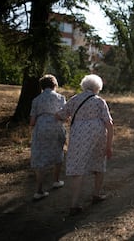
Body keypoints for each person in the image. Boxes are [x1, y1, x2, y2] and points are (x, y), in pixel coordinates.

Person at [56, 74, 114, 215]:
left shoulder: (75, 99)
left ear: (84, 85)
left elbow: (60, 115)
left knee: (78, 167)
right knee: (99, 163)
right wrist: (109, 145)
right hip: (98, 135)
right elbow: (109, 124)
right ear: (97, 87)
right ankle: (96, 194)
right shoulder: (100, 101)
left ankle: (74, 204)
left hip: (77, 135)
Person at [29, 74, 66, 201]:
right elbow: (64, 116)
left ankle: (39, 190)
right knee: (58, 152)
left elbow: (32, 121)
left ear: (42, 86)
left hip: (41, 129)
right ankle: (56, 180)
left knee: (40, 156)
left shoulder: (36, 100)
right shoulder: (61, 98)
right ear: (55, 85)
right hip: (56, 128)